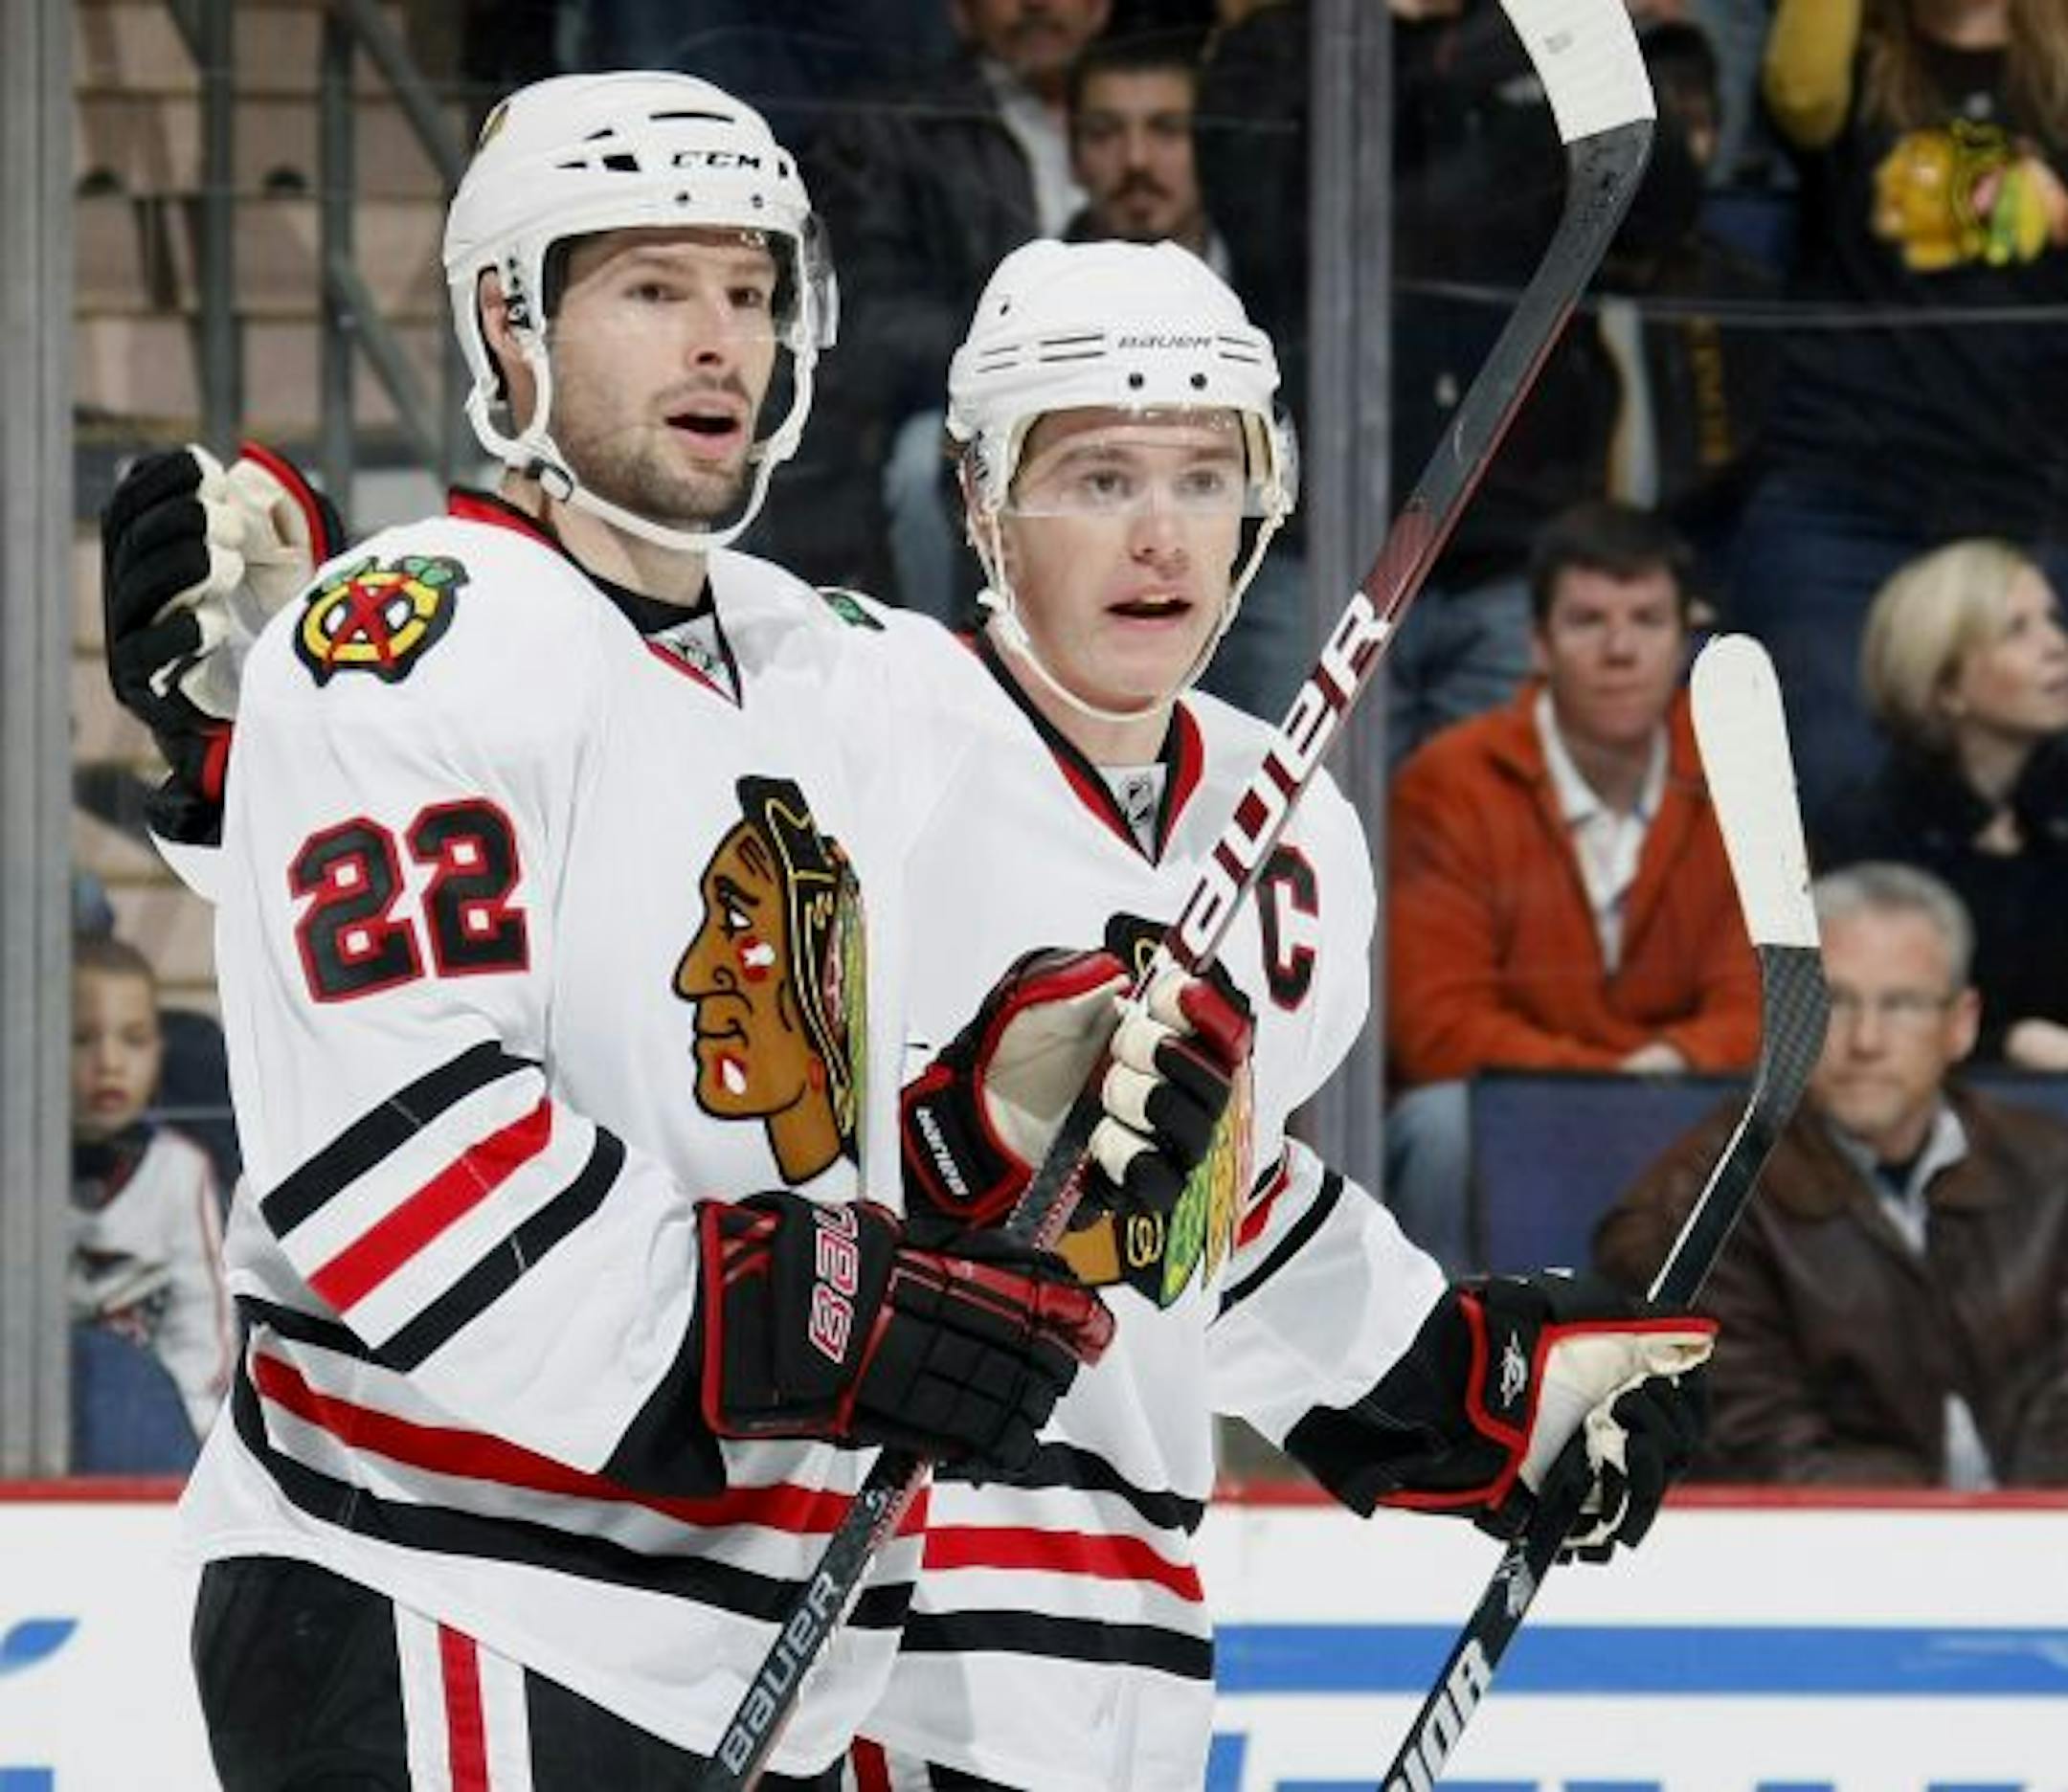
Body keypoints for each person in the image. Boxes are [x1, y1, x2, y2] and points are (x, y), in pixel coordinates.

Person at [105, 238, 1720, 1791]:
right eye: (1097, 478)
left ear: (1265, 499)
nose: (1160, 536)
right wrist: (274, 743)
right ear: (981, 500)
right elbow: (545, 911)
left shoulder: (1295, 841)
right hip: (880, 1623)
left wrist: (1468, 1389)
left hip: (1128, 1661)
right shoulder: (837, 710)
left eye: (1202, 477)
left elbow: (1206, 1226)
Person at [92, 73, 1253, 1789]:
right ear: (512, 320)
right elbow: (406, 1164)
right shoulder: (418, 638)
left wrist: (1001, 1111)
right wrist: (822, 1317)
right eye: (653, 287)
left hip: (726, 1643)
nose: (722, 341)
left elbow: (793, 1151)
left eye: (752, 290)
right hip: (440, 1585)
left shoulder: (829, 664)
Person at [1596, 862, 2068, 1486]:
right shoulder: (1697, 1204)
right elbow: (1761, 1452)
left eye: (1901, 1005)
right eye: (1835, 1002)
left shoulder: (2050, 1168)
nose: (1866, 1040)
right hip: (1826, 1558)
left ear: (1962, 1024)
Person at [1385, 500, 1762, 1273]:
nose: (1620, 650)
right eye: (1589, 621)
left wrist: (1647, 1079)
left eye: (1647, 620)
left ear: (1686, 639)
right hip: (1518, 1109)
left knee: (1787, 1124)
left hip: (1684, 1099)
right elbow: (1436, 1027)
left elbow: (1762, 1008)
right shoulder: (1448, 782)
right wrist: (1612, 1085)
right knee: (1440, 1123)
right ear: (1538, 645)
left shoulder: (1741, 772)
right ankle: (1443, 1375)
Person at [1729, 0, 2068, 812]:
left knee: (2043, 807)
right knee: (1837, 792)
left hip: (2025, 495)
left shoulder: (2055, 75)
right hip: (1842, 493)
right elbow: (1800, 101)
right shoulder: (1841, 64)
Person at [760, 0, 1114, 618]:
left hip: (1137, 404)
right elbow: (864, 319)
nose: (1035, 6)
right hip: (962, 417)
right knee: (924, 461)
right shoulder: (896, 123)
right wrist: (1029, 358)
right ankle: (949, 661)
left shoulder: (1157, 111)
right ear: (958, 10)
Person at [1816, 540, 2068, 1068]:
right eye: (2016, 631)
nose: (2055, 646)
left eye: (2052, 620)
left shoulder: (2054, 814)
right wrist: (2007, 1044)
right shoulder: (1871, 835)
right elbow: (1863, 1021)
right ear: (1947, 686)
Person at [70, 934, 234, 1443]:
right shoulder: (19, 1174)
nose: (111, 1062)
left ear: (160, 1052)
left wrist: (181, 1431)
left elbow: (205, 1330)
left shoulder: (183, 1171)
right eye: (81, 1038)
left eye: (134, 1039)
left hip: (159, 1436)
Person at [1063, 28, 1225, 265]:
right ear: (1072, 154)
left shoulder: (1284, 282)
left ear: (1211, 146)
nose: (1136, 160)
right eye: (1104, 132)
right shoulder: (1023, 293)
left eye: (1167, 129)